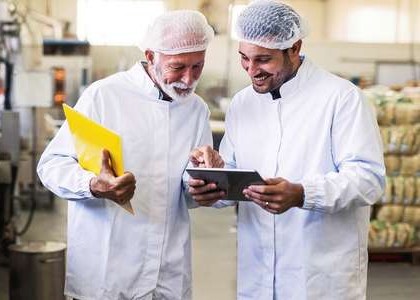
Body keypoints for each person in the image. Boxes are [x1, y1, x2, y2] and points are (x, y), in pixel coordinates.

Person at [188, 1, 385, 299]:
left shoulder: (341, 99)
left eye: (263, 60)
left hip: (320, 279)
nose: (251, 70)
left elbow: (369, 180)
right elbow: (237, 179)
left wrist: (303, 194)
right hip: (257, 276)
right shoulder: (243, 103)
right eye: (244, 58)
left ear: (294, 48)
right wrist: (214, 179)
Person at [37, 10, 218, 300]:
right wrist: (94, 185)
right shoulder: (105, 96)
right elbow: (51, 166)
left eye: (198, 66)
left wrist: (204, 186)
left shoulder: (196, 110)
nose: (188, 78)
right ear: (151, 55)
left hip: (167, 272)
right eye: (178, 66)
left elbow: (185, 191)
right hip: (107, 272)